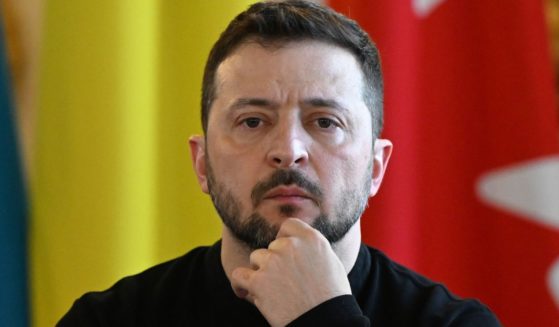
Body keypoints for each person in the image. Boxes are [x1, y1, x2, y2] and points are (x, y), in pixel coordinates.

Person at [58, 1, 500, 326]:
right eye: (252, 121)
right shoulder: (109, 320)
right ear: (202, 163)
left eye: (325, 122)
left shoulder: (454, 324)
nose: (289, 150)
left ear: (377, 167)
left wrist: (325, 319)